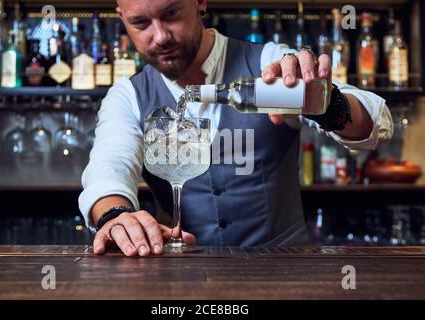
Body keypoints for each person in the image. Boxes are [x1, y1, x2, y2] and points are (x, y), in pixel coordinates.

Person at [79, 0, 393, 256]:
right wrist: (115, 215)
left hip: (288, 273)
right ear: (122, 20)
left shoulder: (268, 63)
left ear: (200, 3)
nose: (160, 36)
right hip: (186, 280)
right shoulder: (128, 96)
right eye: (141, 23)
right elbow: (109, 166)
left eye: (171, 14)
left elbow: (377, 123)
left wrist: (329, 105)